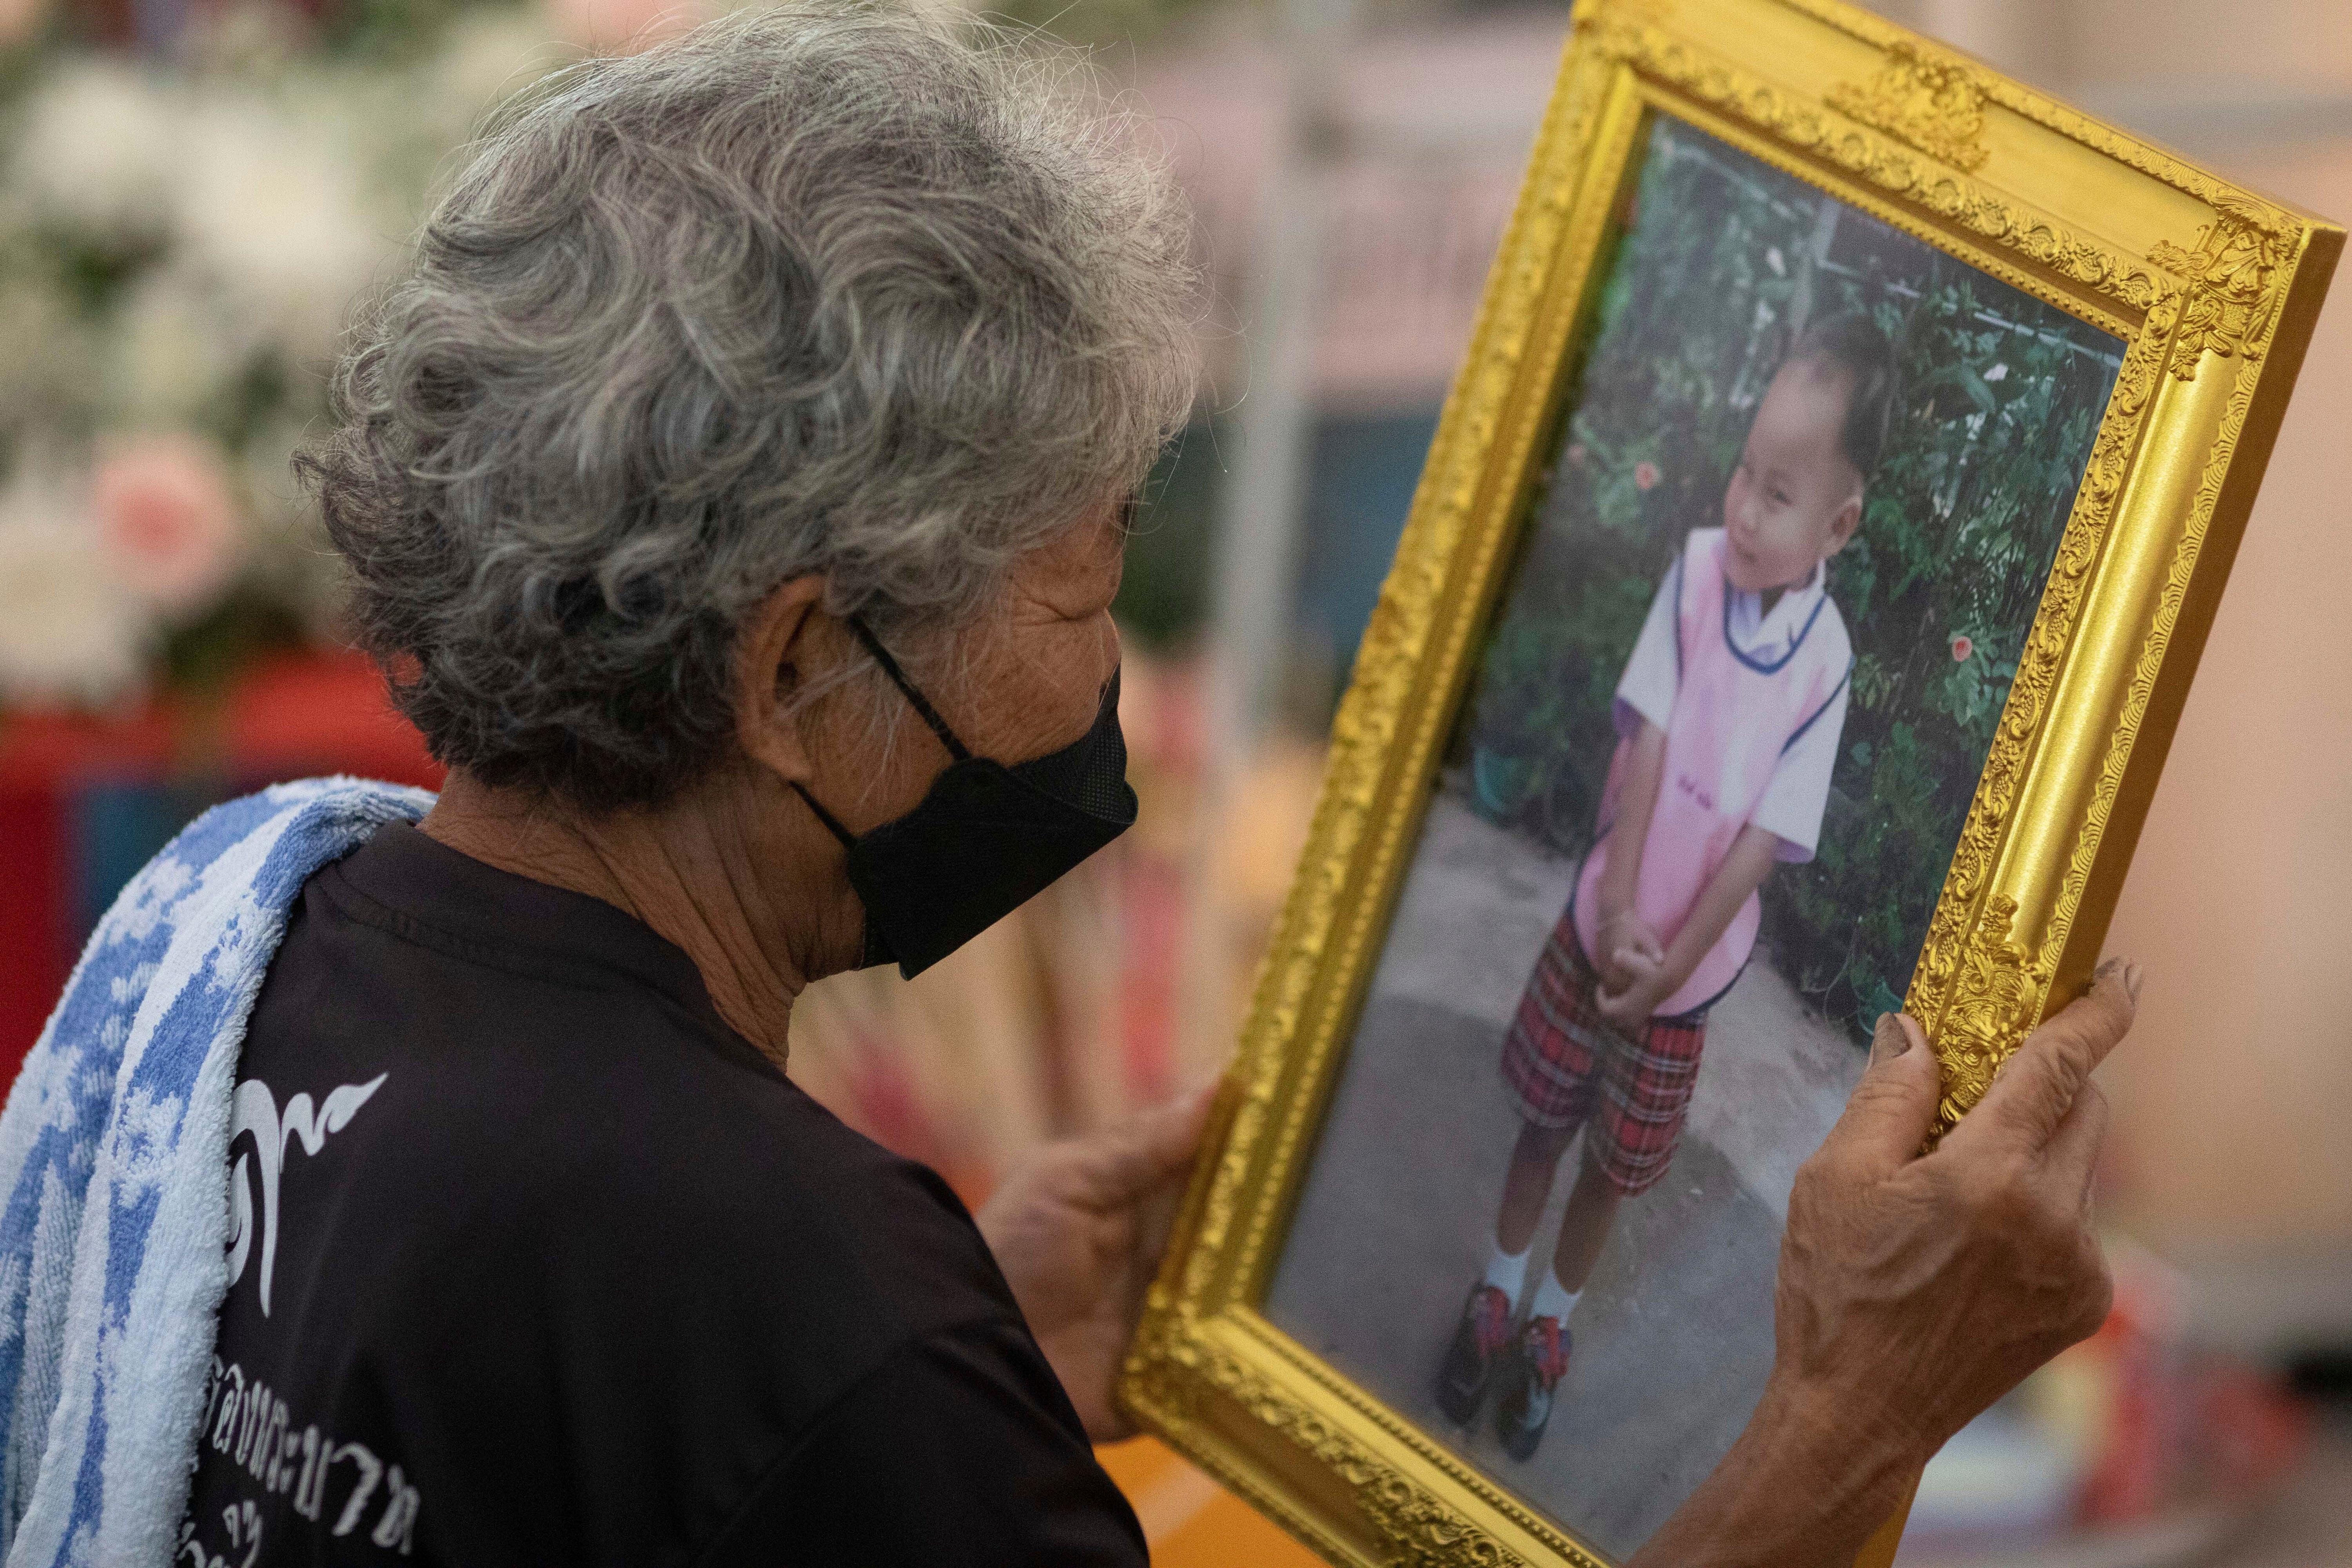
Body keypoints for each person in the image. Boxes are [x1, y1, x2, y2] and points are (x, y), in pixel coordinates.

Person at [0, 9, 2134, 1566]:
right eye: (1080, 598)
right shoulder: (790, 1303)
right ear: (798, 662)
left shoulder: (266, 952)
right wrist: (1850, 1419)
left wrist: (972, 1365)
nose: (1108, 686)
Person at [1441, 315, 1897, 1459]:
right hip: (1608, 912)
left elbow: (1762, 842)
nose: (1745, 509)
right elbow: (1644, 741)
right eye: (1746, 473)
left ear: (1838, 522)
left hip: (1686, 975)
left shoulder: (1825, 664)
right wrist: (1621, 911)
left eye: (1780, 494)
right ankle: (1496, 1290)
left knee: (1610, 1164)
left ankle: (1551, 1324)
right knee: (1542, 1124)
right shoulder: (1696, 572)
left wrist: (1672, 964)